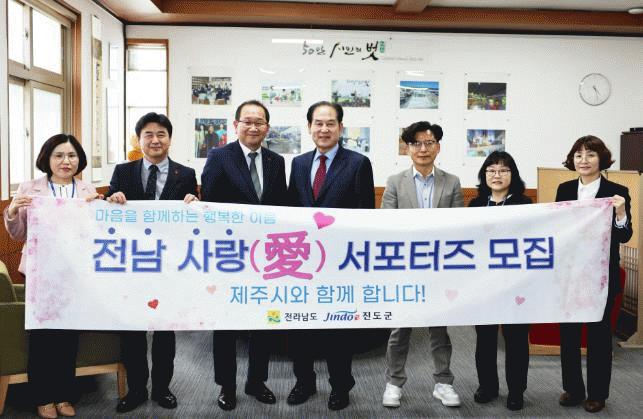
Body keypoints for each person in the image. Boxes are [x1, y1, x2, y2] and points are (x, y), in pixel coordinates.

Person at [105, 112, 198, 413]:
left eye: (161, 134)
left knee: (164, 331)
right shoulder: (123, 171)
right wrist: (112, 198)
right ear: (139, 139)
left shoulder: (186, 174)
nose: (155, 140)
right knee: (132, 330)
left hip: (168, 264)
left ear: (169, 138)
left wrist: (194, 204)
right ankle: (136, 390)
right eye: (148, 134)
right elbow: (107, 210)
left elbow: (193, 219)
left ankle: (161, 388)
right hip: (132, 263)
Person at [4, 134, 101, 419]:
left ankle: (63, 395)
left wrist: (100, 207)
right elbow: (18, 234)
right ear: (47, 159)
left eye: (71, 155)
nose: (65, 161)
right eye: (59, 155)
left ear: (79, 160)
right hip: (40, 274)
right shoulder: (31, 188)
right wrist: (12, 210)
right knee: (42, 338)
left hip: (75, 274)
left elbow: (96, 234)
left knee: (68, 338)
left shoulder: (86, 190)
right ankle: (43, 397)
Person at [286, 101, 375, 411]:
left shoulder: (358, 163)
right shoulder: (298, 164)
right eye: (318, 123)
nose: (324, 129)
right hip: (302, 262)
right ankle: (304, 382)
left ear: (340, 127)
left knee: (338, 329)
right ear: (309, 127)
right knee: (301, 327)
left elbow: (365, 214)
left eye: (330, 124)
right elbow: (291, 212)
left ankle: (340, 386)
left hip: (340, 262)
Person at [200, 100, 287, 411]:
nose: (253, 127)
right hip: (231, 256)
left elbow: (282, 208)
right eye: (247, 121)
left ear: (267, 128)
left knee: (263, 321)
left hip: (266, 257)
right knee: (226, 323)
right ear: (235, 125)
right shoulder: (219, 157)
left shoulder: (277, 161)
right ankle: (227, 385)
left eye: (259, 122)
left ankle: (256, 381)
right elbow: (210, 203)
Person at [381, 121, 464, 409]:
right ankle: (394, 382)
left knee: (439, 329)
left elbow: (458, 226)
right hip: (405, 266)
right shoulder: (395, 181)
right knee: (400, 329)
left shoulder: (451, 182)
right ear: (408, 148)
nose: (423, 149)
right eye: (416, 143)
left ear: (438, 147)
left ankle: (443, 382)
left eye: (429, 143)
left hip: (439, 267)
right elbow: (387, 224)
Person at [556, 135, 632, 414]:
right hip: (570, 275)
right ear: (572, 160)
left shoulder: (617, 191)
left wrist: (620, 213)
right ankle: (573, 389)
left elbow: (624, 236)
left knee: (599, 336)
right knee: (569, 335)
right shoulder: (564, 189)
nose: (584, 160)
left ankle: (597, 394)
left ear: (602, 159)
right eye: (578, 155)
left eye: (590, 155)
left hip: (601, 275)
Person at [468, 151, 532, 411]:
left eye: (504, 170)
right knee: (485, 338)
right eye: (491, 170)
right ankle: (487, 386)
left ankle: (516, 390)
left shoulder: (525, 205)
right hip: (483, 283)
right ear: (484, 175)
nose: (497, 175)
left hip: (516, 283)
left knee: (516, 339)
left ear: (512, 175)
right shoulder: (475, 205)